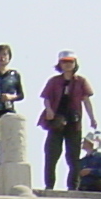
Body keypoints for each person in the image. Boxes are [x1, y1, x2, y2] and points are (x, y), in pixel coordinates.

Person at [39, 52, 96, 191]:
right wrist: (49, 110)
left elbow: (86, 100)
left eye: (70, 62)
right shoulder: (54, 81)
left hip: (74, 122)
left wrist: (92, 118)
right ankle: (49, 185)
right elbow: (46, 97)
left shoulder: (81, 81)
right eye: (64, 62)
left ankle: (73, 186)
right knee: (52, 154)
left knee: (73, 156)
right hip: (56, 122)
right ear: (60, 64)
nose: (68, 64)